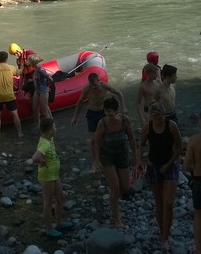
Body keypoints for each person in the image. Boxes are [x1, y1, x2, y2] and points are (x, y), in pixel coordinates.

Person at [93, 96, 141, 228]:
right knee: (114, 187)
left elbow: (131, 139)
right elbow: (96, 143)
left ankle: (118, 195)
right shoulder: (102, 123)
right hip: (107, 157)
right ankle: (116, 219)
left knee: (125, 187)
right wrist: (97, 161)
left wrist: (136, 157)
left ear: (116, 110)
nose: (108, 114)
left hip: (122, 155)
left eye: (110, 112)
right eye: (106, 111)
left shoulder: (125, 120)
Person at [142, 101, 181, 251]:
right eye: (154, 118)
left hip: (170, 165)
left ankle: (166, 235)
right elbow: (142, 144)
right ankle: (162, 232)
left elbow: (178, 148)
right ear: (151, 117)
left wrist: (168, 164)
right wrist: (139, 160)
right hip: (153, 165)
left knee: (168, 202)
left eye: (159, 118)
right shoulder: (148, 127)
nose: (157, 121)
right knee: (159, 202)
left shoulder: (171, 126)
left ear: (163, 115)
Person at [72, 72, 126, 167]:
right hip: (92, 114)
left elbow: (119, 93)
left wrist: (123, 107)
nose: (94, 87)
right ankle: (95, 161)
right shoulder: (86, 89)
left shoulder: (104, 86)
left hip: (102, 113)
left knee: (104, 137)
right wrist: (75, 116)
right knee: (93, 140)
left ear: (98, 81)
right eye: (91, 85)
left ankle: (106, 157)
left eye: (95, 85)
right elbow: (79, 102)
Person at [32, 117, 71, 238]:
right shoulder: (45, 143)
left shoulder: (49, 138)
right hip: (47, 177)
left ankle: (59, 223)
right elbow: (35, 158)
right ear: (49, 130)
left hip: (54, 175)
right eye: (54, 127)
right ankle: (49, 229)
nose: (56, 128)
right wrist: (42, 161)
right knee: (48, 202)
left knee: (60, 198)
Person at [0, 50, 22, 137]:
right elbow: (19, 73)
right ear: (6, 59)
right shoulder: (11, 68)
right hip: (9, 95)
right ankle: (19, 133)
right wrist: (22, 65)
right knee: (14, 114)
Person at [182, 111, 201, 254]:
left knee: (199, 216)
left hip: (199, 182)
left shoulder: (194, 140)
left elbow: (186, 166)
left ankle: (199, 250)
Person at [29, 55, 53, 130]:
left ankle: (51, 127)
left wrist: (46, 84)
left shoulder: (40, 70)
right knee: (35, 108)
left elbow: (51, 79)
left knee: (44, 110)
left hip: (43, 91)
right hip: (37, 90)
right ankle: (38, 124)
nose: (28, 62)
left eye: (29, 61)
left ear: (32, 63)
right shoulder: (35, 69)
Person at [137, 63, 161, 128]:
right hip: (148, 111)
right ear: (148, 73)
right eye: (154, 73)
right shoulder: (143, 86)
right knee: (150, 130)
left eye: (156, 73)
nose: (156, 75)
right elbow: (137, 103)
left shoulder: (157, 83)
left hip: (158, 110)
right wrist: (142, 118)